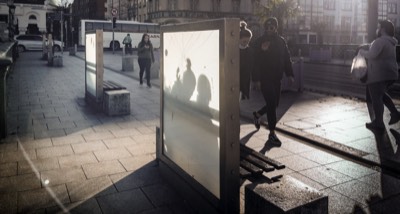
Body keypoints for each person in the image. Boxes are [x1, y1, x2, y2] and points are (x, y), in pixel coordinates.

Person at [252, 17, 294, 145]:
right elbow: (255, 61)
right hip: (265, 78)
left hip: (277, 78)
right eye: (268, 27)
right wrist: (256, 79)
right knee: (271, 104)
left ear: (276, 28)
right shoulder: (260, 41)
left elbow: (287, 58)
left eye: (272, 27)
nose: (270, 29)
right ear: (265, 28)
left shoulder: (281, 41)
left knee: (274, 104)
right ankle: (272, 133)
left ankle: (258, 114)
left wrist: (290, 74)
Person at [359, 20, 399, 131]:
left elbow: (372, 54)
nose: (378, 29)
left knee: (376, 98)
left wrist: (362, 52)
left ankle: (379, 122)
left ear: (383, 30)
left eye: (379, 27)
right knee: (381, 94)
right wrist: (368, 46)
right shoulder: (390, 42)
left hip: (378, 74)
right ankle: (395, 113)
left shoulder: (380, 41)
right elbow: (375, 49)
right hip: (390, 73)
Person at [239, 21, 254, 101]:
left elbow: (252, 66)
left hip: (245, 80)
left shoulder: (250, 51)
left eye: (248, 41)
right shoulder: (234, 50)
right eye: (244, 41)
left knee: (241, 100)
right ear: (239, 39)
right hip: (236, 79)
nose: (246, 43)